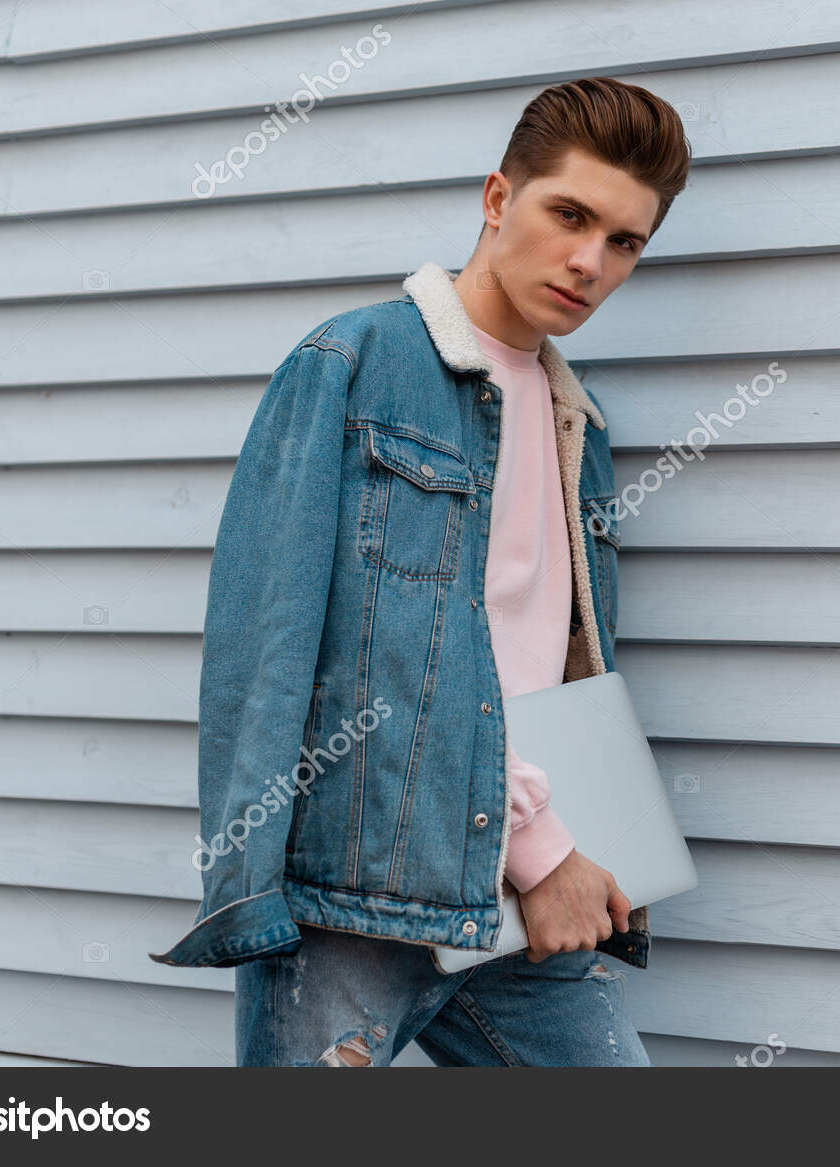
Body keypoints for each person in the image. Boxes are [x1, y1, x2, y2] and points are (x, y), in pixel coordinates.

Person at [149, 76, 693, 1067]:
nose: (589, 262)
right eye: (568, 214)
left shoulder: (581, 422)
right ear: (497, 198)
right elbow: (275, 651)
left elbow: (540, 669)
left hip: (528, 897)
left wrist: (558, 854)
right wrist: (246, 879)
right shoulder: (352, 365)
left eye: (624, 243)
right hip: (360, 901)